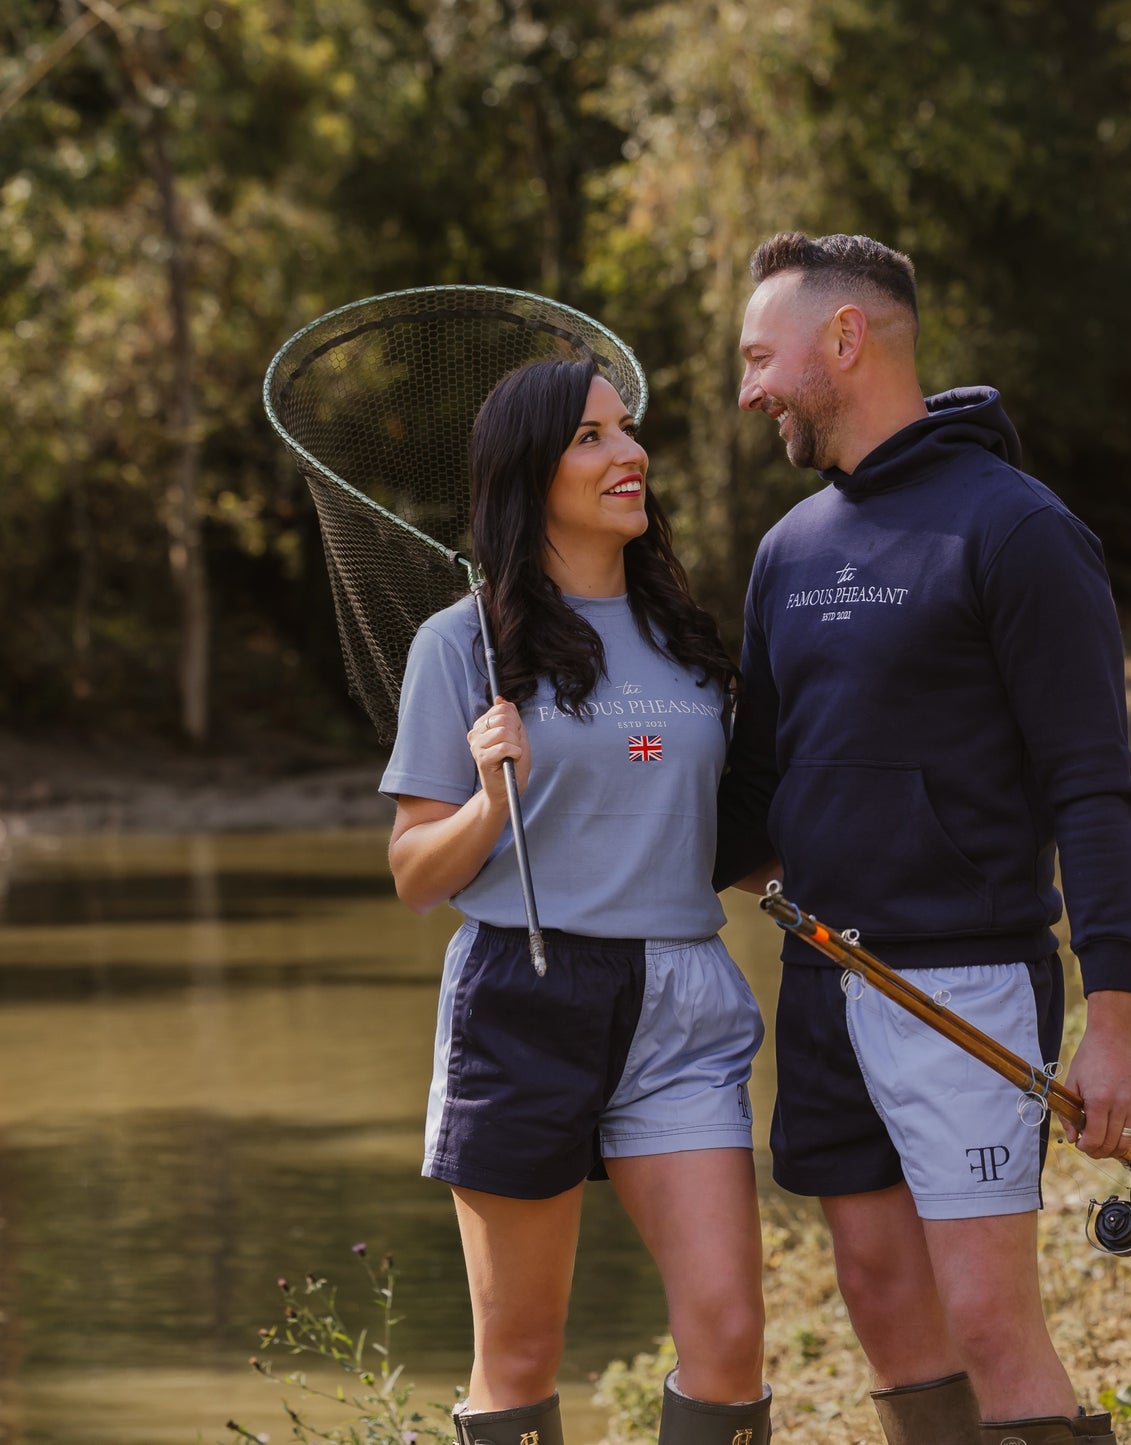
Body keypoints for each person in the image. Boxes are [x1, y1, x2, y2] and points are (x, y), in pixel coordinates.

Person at [715, 232, 1131, 1445]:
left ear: (844, 340)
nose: (748, 389)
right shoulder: (786, 550)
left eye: (761, 356)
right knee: (879, 1294)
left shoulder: (1016, 530)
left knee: (987, 1317)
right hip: (823, 977)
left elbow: (1092, 787)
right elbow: (753, 788)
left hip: (967, 978)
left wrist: (1111, 1019)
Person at [381, 357, 773, 1445]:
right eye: (592, 437)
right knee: (517, 1352)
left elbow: (712, 837)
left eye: (627, 431)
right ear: (529, 472)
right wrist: (490, 801)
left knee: (730, 1330)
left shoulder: (687, 638)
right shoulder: (458, 644)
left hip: (683, 995)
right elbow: (417, 871)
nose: (628, 454)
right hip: (526, 990)